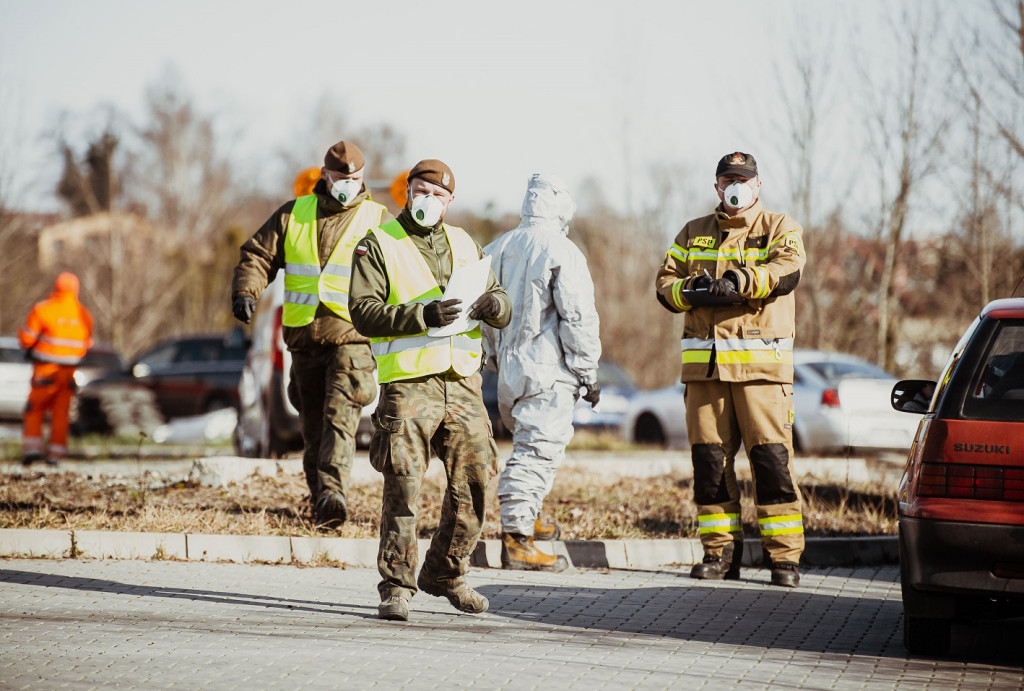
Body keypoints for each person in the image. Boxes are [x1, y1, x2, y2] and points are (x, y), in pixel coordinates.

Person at [348, 158, 512, 621]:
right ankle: (396, 586)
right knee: (403, 486)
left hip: (461, 383)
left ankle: (446, 572)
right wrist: (422, 315)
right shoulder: (379, 243)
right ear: (407, 191)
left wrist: (493, 303)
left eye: (438, 196)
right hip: (408, 385)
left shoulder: (465, 243)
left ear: (450, 201)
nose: (429, 200)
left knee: (476, 481)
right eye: (421, 191)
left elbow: (503, 303)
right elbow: (361, 311)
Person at [654, 151, 807, 588]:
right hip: (705, 374)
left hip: (762, 374)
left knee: (772, 465)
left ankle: (784, 560)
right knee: (710, 467)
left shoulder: (780, 227)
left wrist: (740, 281)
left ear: (757, 186)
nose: (735, 186)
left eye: (743, 179)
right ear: (717, 186)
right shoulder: (693, 232)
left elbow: (786, 271)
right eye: (728, 180)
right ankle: (719, 554)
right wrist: (693, 290)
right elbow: (665, 283)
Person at [231, 141, 390, 527]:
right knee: (312, 426)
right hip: (303, 340)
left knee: (340, 416)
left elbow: (404, 272)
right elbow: (258, 255)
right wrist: (245, 291)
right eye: (340, 177)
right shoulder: (294, 215)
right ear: (325, 175)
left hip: (352, 338)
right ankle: (322, 502)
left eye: (354, 178)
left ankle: (334, 491)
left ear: (362, 177)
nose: (347, 184)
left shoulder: (379, 220)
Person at [481, 174, 601, 573]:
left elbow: (480, 317)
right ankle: (517, 540)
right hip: (550, 370)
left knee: (532, 445)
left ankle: (528, 518)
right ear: (562, 206)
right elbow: (577, 317)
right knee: (537, 453)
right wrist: (588, 372)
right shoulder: (562, 250)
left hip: (510, 373)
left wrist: (494, 362)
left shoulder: (496, 248)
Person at [19, 272, 94, 467]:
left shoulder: (43, 310)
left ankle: (33, 450)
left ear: (56, 287)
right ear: (76, 289)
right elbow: (87, 344)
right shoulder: (83, 314)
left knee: (35, 410)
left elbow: (26, 338)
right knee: (61, 414)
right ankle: (55, 455)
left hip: (45, 369)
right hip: (69, 373)